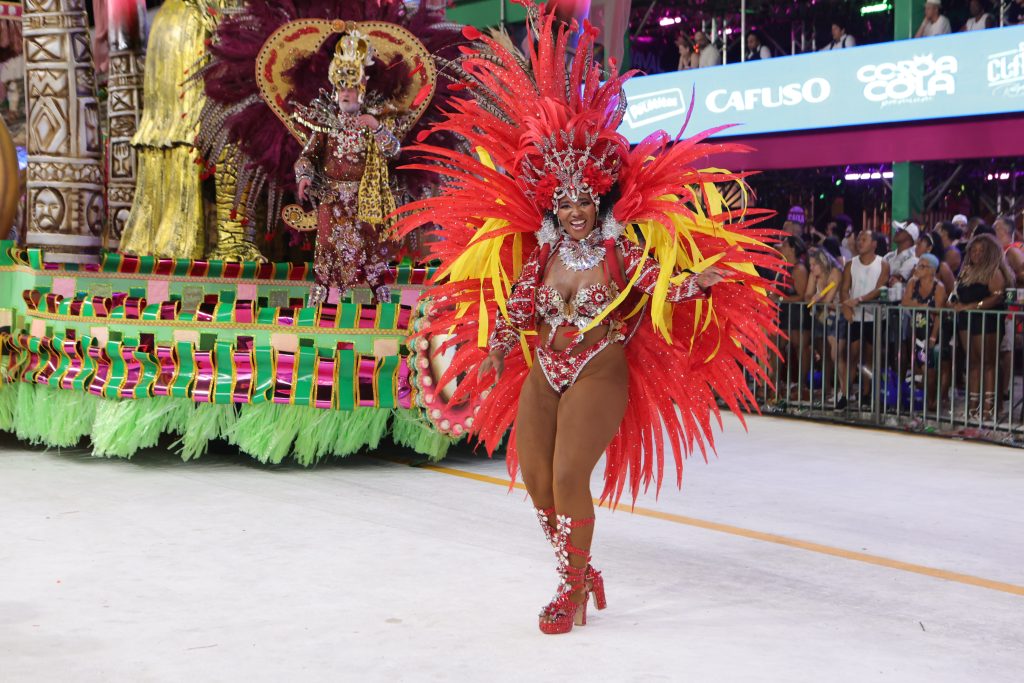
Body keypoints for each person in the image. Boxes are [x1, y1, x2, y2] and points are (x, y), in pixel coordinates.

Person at [394, 6, 780, 635]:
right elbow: (520, 304)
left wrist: (696, 284)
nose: (574, 209)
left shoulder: (617, 250)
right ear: (553, 201)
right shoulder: (543, 251)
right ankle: (582, 567)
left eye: (583, 198)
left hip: (600, 365)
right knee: (539, 482)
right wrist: (496, 344)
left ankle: (569, 590)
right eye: (563, 199)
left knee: (572, 474)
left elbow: (654, 285)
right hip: (543, 367)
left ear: (599, 197)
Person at [292, 31, 402, 306]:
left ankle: (383, 303)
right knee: (326, 248)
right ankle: (317, 302)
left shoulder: (372, 124)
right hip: (331, 198)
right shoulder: (327, 126)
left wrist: (376, 128)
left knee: (371, 250)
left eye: (351, 89)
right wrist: (304, 177)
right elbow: (306, 157)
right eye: (341, 89)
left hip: (364, 200)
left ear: (361, 90)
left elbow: (394, 151)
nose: (345, 94)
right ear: (334, 91)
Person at [949, 234, 1013, 422]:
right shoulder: (966, 270)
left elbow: (997, 296)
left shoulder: (994, 271)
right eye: (973, 250)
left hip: (987, 321)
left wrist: (972, 306)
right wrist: (955, 303)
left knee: (988, 364)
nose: (976, 254)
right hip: (967, 321)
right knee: (973, 363)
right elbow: (956, 292)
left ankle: (989, 408)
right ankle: (973, 407)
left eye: (981, 251)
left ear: (990, 253)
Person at [836, 230, 890, 410]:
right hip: (855, 317)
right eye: (859, 239)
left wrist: (858, 300)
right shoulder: (851, 264)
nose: (860, 242)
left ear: (874, 243)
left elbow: (879, 289)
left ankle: (866, 393)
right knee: (851, 355)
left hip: (874, 317)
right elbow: (844, 288)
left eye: (864, 239)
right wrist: (846, 305)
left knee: (869, 357)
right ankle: (845, 393)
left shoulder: (883, 264)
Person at [902, 254, 947, 411]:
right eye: (917, 265)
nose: (917, 269)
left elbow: (939, 313)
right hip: (916, 330)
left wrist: (933, 336)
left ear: (932, 270)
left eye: (922, 266)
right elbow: (905, 302)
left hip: (932, 332)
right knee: (919, 368)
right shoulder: (912, 283)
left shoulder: (939, 287)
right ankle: (924, 400)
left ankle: (932, 401)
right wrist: (922, 306)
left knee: (930, 369)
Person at [805, 247, 844, 401]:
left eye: (814, 265)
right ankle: (827, 388)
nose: (811, 268)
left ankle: (842, 390)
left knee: (837, 355)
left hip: (837, 317)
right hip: (821, 316)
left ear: (823, 263)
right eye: (810, 265)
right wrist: (814, 299)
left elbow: (828, 300)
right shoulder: (813, 275)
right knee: (824, 353)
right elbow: (807, 295)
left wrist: (817, 298)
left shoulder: (835, 272)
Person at [777, 236, 811, 397]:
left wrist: (780, 299)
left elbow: (801, 296)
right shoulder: (784, 267)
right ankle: (779, 382)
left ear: (792, 249)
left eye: (784, 245)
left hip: (797, 313)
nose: (781, 248)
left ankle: (801, 384)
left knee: (800, 348)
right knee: (779, 347)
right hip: (785, 311)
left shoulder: (799, 269)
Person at [887, 221, 920, 302]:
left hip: (900, 305)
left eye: (900, 230)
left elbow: (896, 279)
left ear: (910, 235)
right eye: (897, 229)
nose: (896, 231)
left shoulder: (914, 258)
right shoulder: (888, 256)